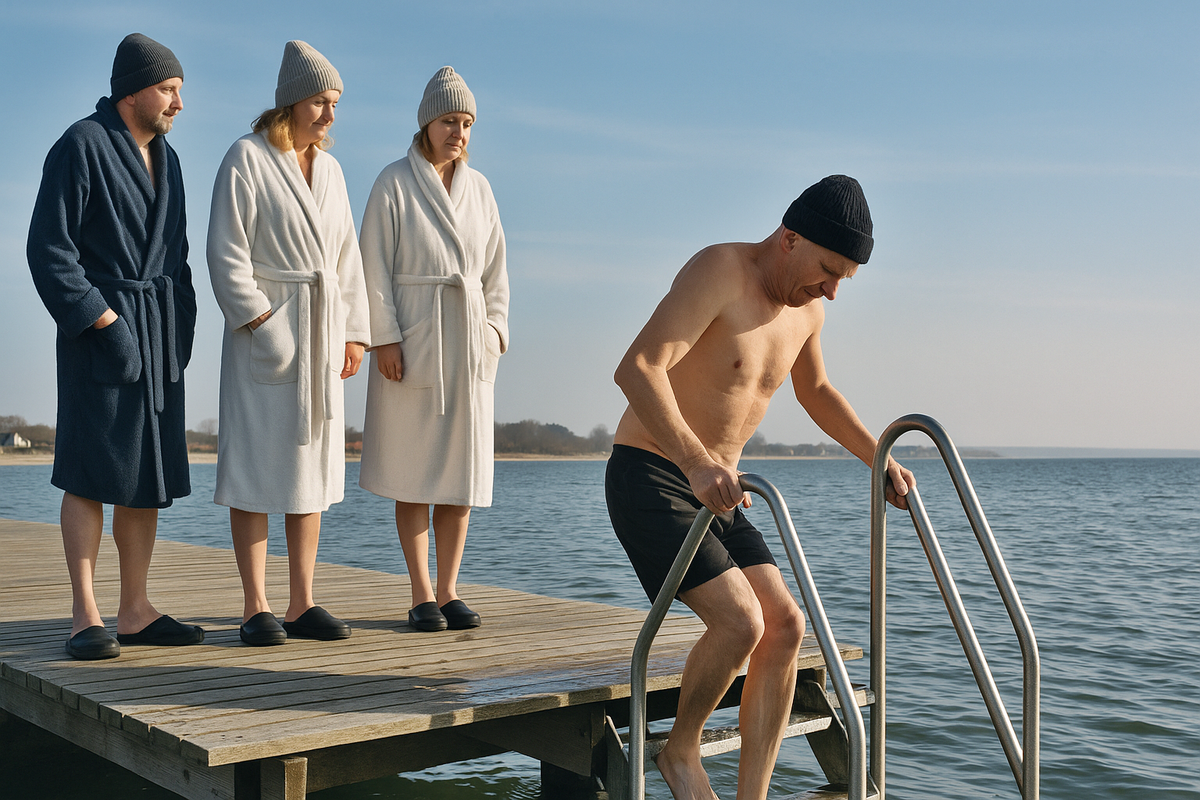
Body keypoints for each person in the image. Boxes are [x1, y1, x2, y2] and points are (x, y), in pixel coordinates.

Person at [606, 175, 916, 800]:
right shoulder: (721, 269)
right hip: (654, 472)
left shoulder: (809, 311)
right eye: (827, 270)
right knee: (741, 623)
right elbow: (637, 367)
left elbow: (817, 393)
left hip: (722, 488)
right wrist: (694, 462)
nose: (830, 289)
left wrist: (876, 457)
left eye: (842, 280)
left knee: (787, 625)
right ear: (789, 238)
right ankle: (681, 753)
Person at [26, 33, 204, 661]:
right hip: (101, 331)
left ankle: (134, 608)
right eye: (169, 89)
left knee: (143, 476)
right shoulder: (81, 144)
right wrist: (102, 321)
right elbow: (50, 249)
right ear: (132, 90)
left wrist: (180, 326)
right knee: (89, 470)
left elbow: (176, 258)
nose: (179, 102)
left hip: (157, 330)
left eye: (180, 89)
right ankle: (85, 612)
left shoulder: (171, 161)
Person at [207, 41, 370, 646]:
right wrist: (262, 324)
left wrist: (355, 331)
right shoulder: (246, 158)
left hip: (323, 335)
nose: (330, 115)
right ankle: (255, 605)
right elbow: (227, 253)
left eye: (335, 104)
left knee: (312, 472)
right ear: (291, 101)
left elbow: (347, 259)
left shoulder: (330, 170)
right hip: (269, 338)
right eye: (322, 102)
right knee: (254, 469)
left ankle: (302, 602)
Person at [358, 66, 510, 632]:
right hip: (415, 342)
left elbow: (496, 271)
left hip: (469, 345)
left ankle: (449, 590)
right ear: (427, 121)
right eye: (451, 120)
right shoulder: (393, 182)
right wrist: (386, 338)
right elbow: (373, 267)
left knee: (460, 477)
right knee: (413, 471)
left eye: (467, 123)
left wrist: (494, 333)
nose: (460, 132)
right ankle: (420, 593)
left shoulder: (482, 189)